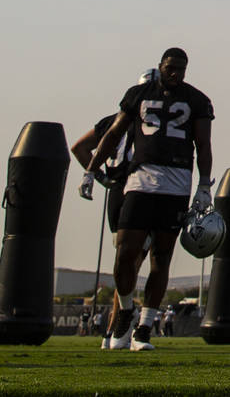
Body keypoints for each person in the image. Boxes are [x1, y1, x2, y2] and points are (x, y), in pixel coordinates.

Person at [86, 47, 214, 352]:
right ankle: (126, 309)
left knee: (161, 258)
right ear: (160, 66)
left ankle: (143, 329)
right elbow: (114, 133)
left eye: (181, 69)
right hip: (140, 180)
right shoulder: (137, 94)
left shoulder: (197, 100)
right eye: (171, 67)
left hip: (177, 183)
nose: (176, 73)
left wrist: (204, 185)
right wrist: (91, 170)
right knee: (125, 253)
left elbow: (203, 144)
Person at [72, 67, 158, 349]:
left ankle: (112, 332)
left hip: (116, 195)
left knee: (123, 263)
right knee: (134, 264)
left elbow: (80, 148)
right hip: (138, 190)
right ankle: (126, 326)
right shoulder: (149, 122)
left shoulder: (112, 120)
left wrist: (99, 174)